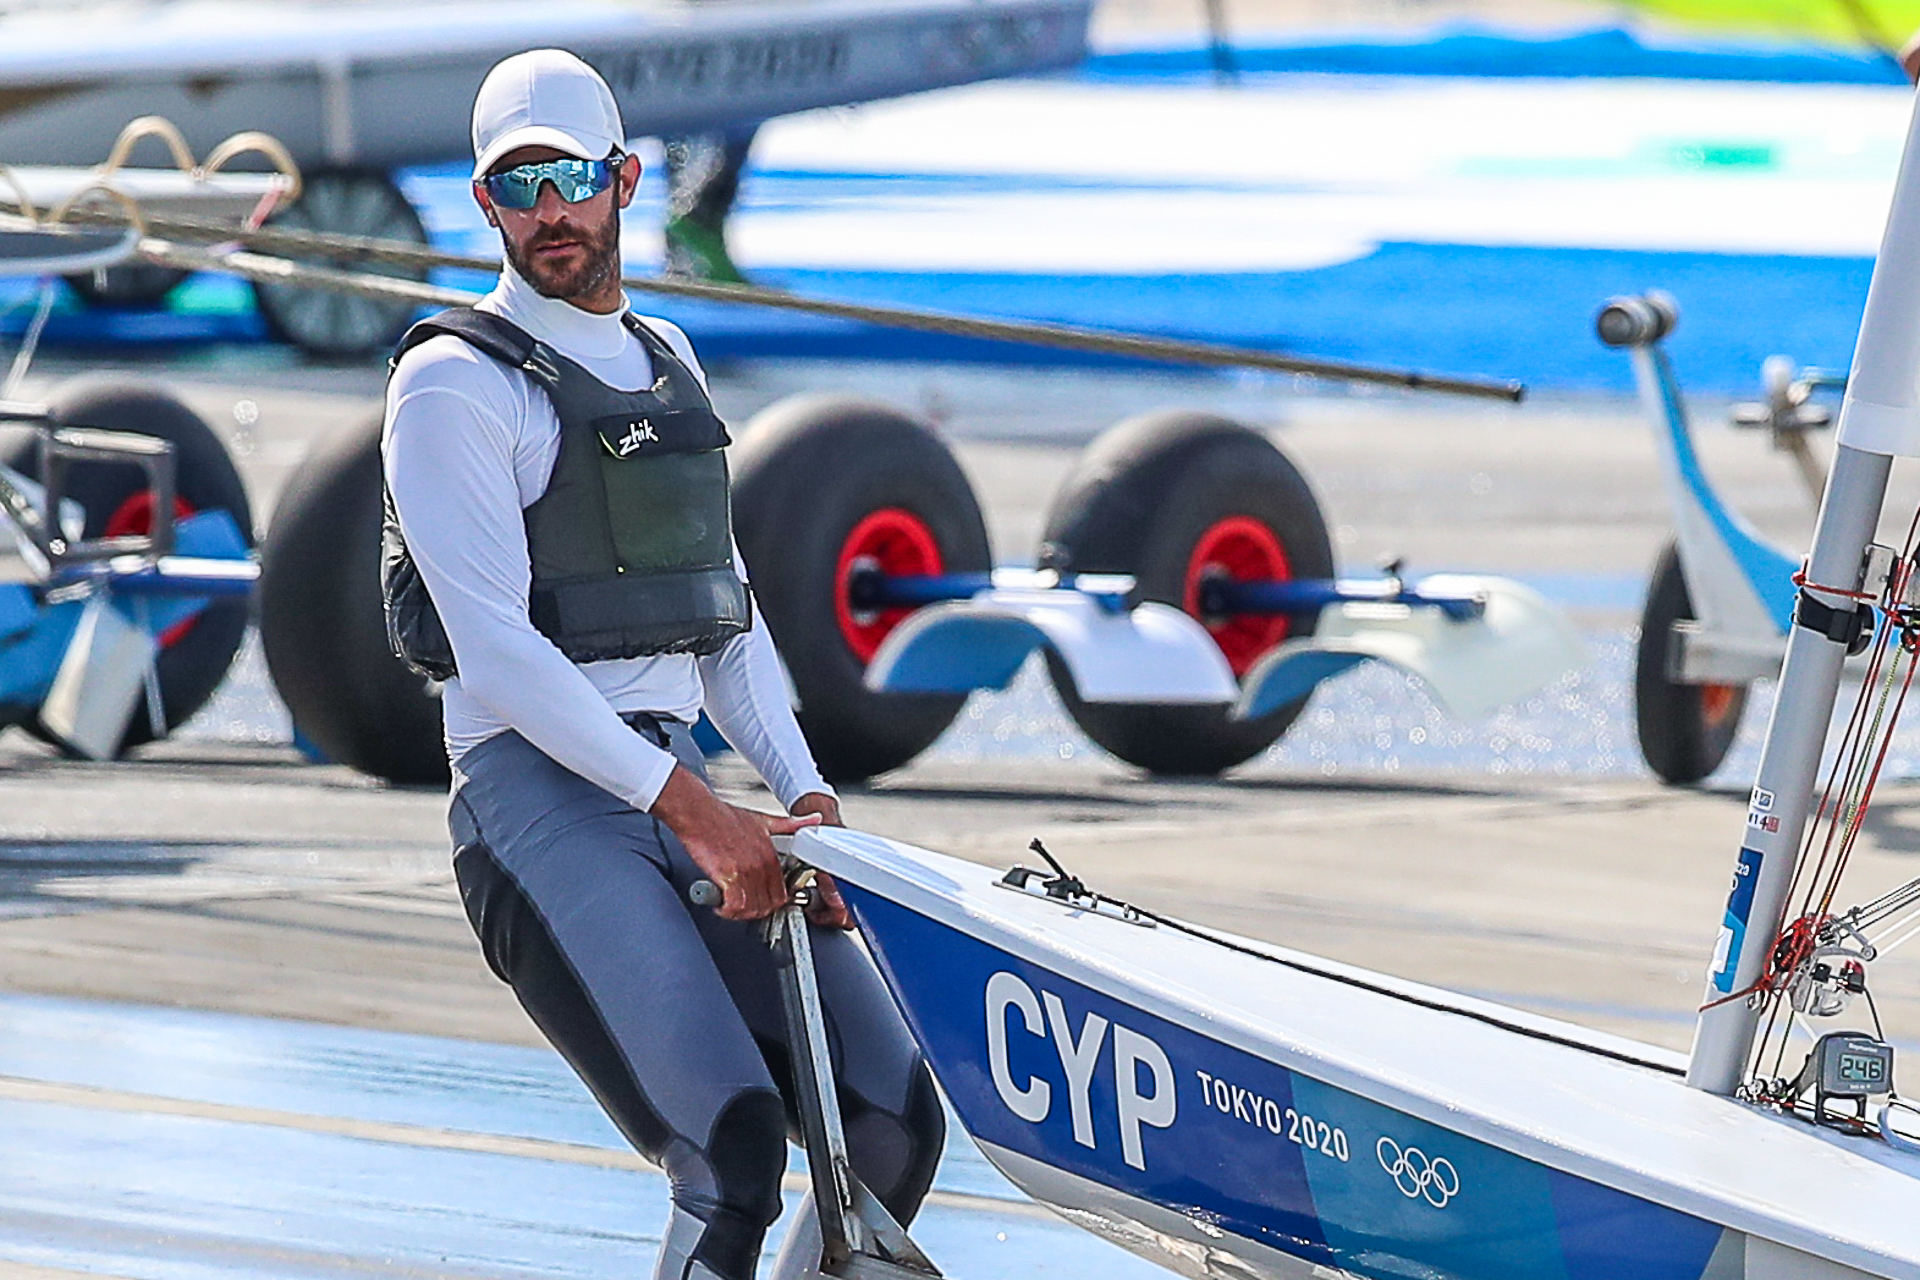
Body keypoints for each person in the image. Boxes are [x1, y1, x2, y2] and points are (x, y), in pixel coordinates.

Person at [380, 48, 943, 1280]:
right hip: (540, 807)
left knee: (895, 1125)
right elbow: (496, 649)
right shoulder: (451, 383)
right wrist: (696, 813)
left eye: (570, 179)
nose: (548, 213)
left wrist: (806, 808)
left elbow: (724, 621)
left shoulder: (669, 358)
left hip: (675, 784)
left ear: (626, 178)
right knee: (731, 1150)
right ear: (484, 204)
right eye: (515, 187)